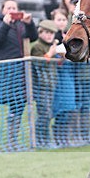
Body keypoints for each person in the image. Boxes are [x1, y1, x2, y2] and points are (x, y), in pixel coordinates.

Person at [0, 0, 38, 150]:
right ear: (2, 10)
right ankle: (11, 142)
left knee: (19, 103)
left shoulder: (20, 23)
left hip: (21, 70)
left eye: (14, 8)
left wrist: (30, 23)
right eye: (8, 7)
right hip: (5, 71)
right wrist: (5, 24)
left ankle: (13, 141)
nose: (11, 10)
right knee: (12, 101)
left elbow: (33, 37)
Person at [60, 0, 90, 142]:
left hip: (87, 71)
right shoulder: (66, 19)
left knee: (85, 104)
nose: (76, 4)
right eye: (73, 2)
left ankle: (83, 136)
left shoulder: (88, 20)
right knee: (72, 104)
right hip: (70, 70)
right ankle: (74, 136)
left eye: (78, 1)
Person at [30, 19, 60, 148]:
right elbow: (39, 62)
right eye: (46, 32)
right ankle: (40, 140)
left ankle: (45, 140)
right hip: (41, 86)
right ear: (40, 33)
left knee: (48, 114)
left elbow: (56, 63)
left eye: (52, 33)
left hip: (51, 85)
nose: (49, 36)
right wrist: (50, 54)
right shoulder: (37, 46)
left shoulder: (50, 46)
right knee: (43, 114)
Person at [50, 7, 77, 146]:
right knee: (60, 109)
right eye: (58, 19)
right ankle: (57, 137)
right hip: (57, 77)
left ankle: (64, 137)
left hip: (68, 75)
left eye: (63, 19)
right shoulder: (51, 37)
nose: (61, 22)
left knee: (69, 108)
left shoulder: (68, 35)